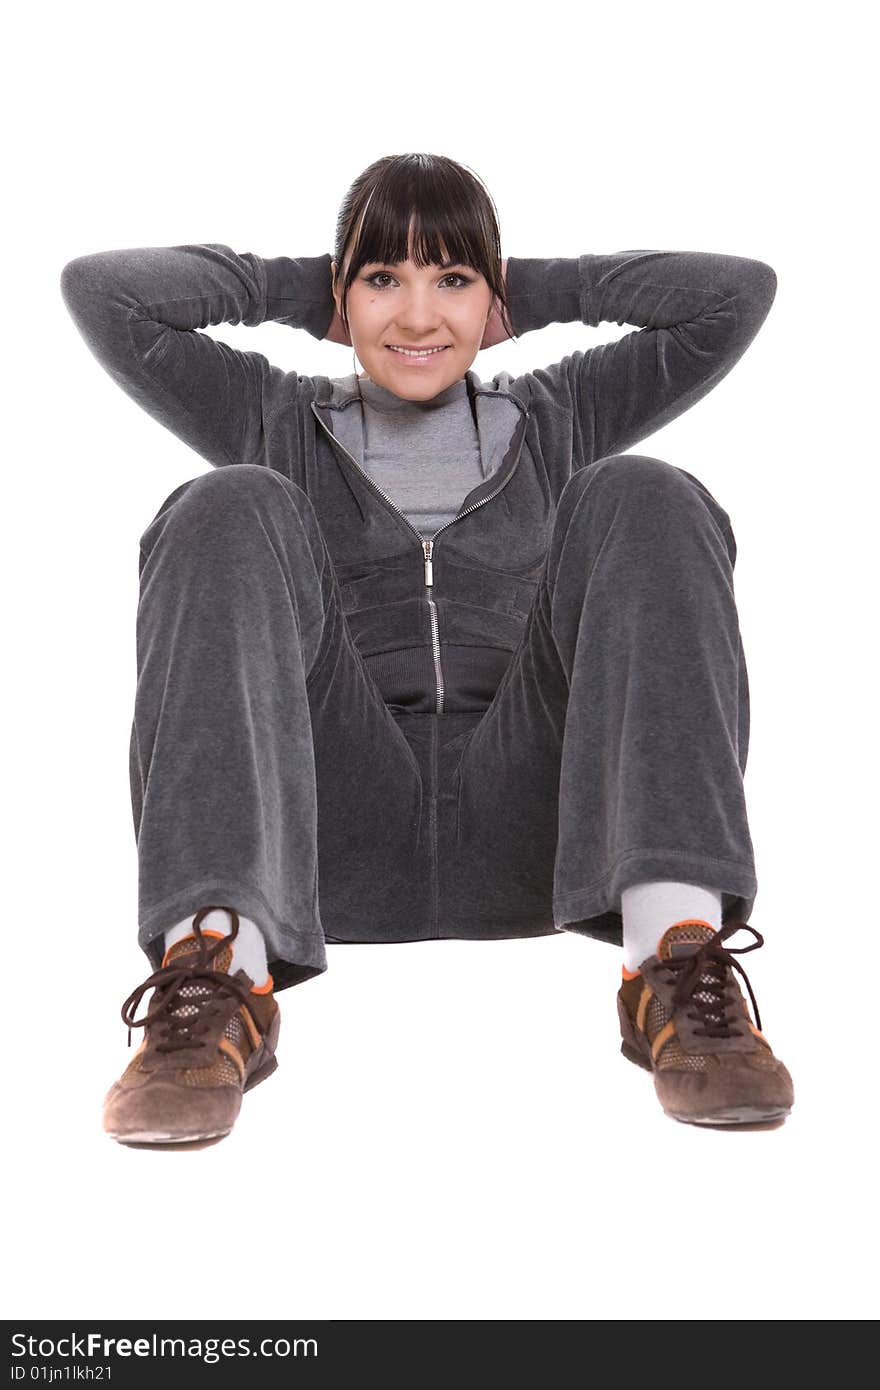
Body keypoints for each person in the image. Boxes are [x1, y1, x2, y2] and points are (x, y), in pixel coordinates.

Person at [59, 151, 794, 1145]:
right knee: (226, 502)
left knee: (647, 490)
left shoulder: (557, 416)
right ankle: (214, 985)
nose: (415, 317)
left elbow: (731, 295)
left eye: (449, 280)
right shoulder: (274, 419)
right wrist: (309, 289)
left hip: (540, 827)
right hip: (322, 837)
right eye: (382, 281)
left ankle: (675, 956)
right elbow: (103, 293)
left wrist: (512, 288)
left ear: (490, 297)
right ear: (343, 296)